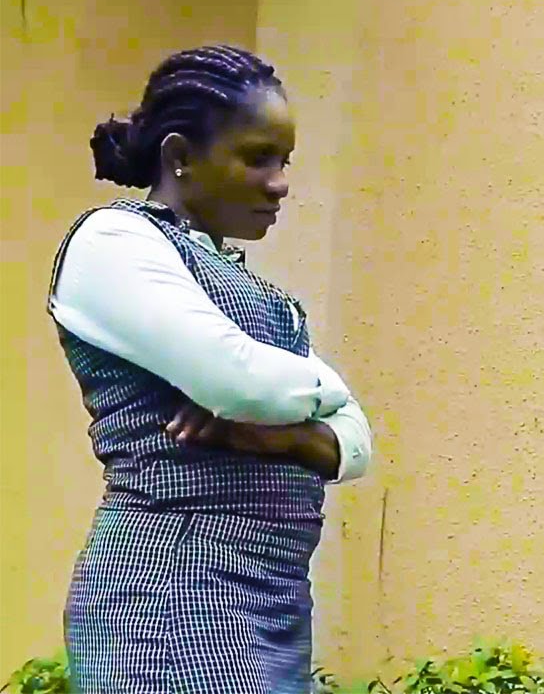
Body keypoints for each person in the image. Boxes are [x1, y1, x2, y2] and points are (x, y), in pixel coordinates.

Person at [49, 45, 372, 692]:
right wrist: (331, 397)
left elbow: (356, 447)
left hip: (274, 598)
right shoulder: (112, 243)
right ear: (180, 157)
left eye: (285, 162)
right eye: (257, 158)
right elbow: (237, 382)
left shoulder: (253, 288)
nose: (280, 183)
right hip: (171, 598)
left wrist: (277, 437)